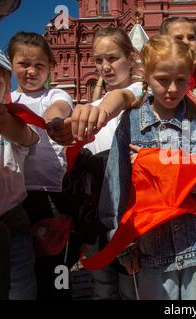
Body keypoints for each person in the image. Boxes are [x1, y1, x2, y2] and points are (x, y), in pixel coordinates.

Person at [99, 35, 196, 300]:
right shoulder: (132, 122)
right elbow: (116, 184)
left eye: (181, 80)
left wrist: (160, 164)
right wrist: (120, 241)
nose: (172, 89)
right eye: (162, 80)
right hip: (152, 249)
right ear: (146, 75)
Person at [68, 27, 144, 300]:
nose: (105, 67)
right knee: (102, 286)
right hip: (96, 212)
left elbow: (120, 98)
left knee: (130, 287)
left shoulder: (142, 93)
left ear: (130, 57)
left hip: (129, 210)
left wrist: (99, 111)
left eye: (112, 58)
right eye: (98, 60)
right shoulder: (94, 105)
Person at [7, 31, 73, 299]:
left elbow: (58, 108)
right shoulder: (7, 100)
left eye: (39, 65)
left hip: (50, 192)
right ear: (11, 64)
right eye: (24, 64)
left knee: (56, 265)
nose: (31, 71)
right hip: (14, 196)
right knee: (22, 266)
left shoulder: (54, 94)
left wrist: (52, 120)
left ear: (49, 68)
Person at [0, 45, 39, 299]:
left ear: (6, 88)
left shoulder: (13, 119)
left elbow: (29, 138)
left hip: (12, 224)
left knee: (20, 291)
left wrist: (5, 124)